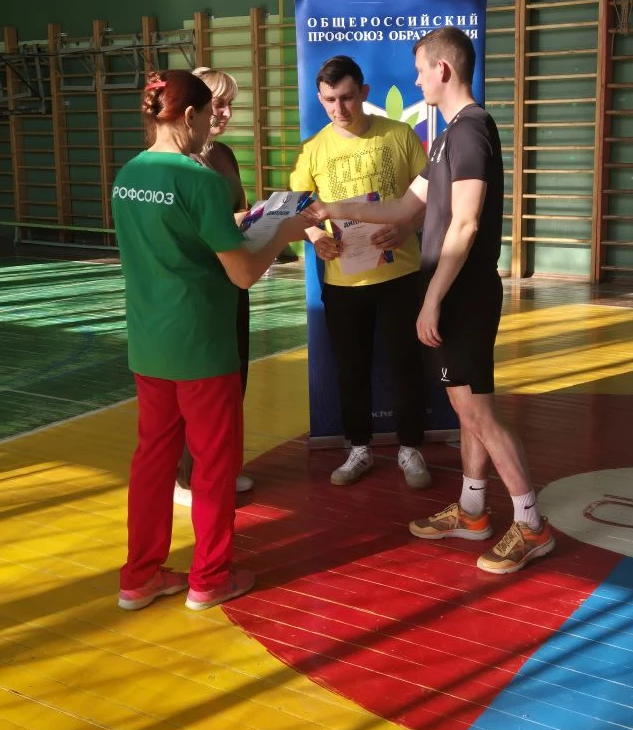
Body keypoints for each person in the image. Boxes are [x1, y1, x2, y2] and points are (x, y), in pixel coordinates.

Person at [305, 29, 555, 574]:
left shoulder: (470, 132)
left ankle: (531, 524)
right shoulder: (446, 138)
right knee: (468, 410)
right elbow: (401, 208)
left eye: (420, 70)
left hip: (462, 294)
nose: (416, 81)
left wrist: (431, 299)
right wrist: (327, 209)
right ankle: (472, 511)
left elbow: (465, 225)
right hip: (451, 292)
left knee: (479, 413)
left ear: (442, 70)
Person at [113, 69, 308, 612]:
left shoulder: (127, 175)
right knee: (215, 466)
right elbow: (242, 274)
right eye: (208, 116)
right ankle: (210, 578)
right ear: (190, 115)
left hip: (149, 346)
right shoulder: (200, 181)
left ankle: (139, 577)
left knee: (152, 463)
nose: (211, 127)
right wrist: (286, 232)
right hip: (201, 347)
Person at [290, 55, 432, 488]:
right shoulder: (313, 149)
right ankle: (359, 447)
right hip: (343, 281)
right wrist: (316, 240)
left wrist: (405, 226)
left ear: (364, 93)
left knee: (406, 364)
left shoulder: (399, 135)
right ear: (320, 99)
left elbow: (432, 199)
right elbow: (300, 210)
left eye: (347, 97)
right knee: (351, 368)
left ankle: (410, 447)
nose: (339, 108)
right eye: (330, 100)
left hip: (400, 275)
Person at [173, 67, 253, 507]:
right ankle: (188, 478)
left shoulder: (223, 155)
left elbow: (238, 213)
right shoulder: (180, 164)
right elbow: (197, 230)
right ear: (194, 109)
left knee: (234, 378)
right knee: (199, 389)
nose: (224, 113)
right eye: (217, 104)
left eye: (229, 105)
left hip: (234, 281)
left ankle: (218, 467)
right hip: (202, 289)